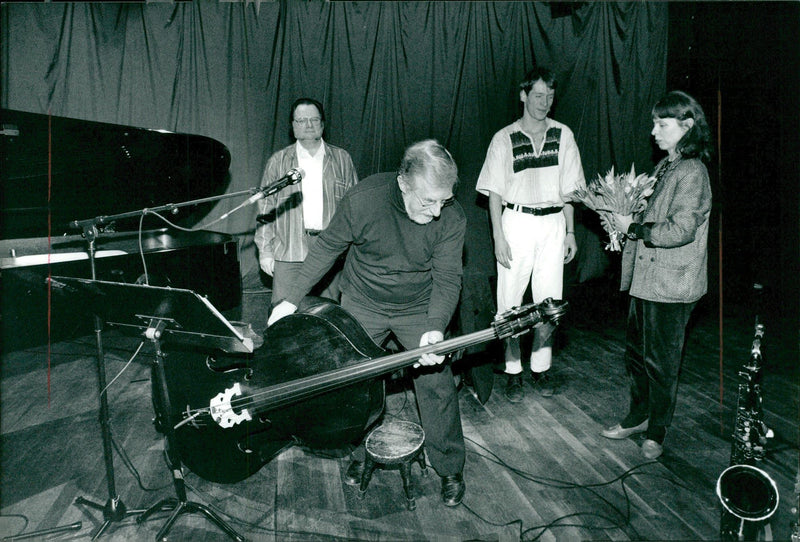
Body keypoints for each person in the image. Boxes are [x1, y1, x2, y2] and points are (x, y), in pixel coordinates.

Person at [268, 139, 468, 506]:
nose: (438, 211)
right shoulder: (364, 200)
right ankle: (360, 456)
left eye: (444, 200)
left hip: (419, 307)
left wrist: (435, 328)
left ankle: (449, 465)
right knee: (353, 383)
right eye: (429, 201)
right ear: (403, 183)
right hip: (364, 300)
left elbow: (448, 278)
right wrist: (288, 300)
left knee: (437, 381)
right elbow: (326, 248)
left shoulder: (451, 217)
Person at [600, 90, 713, 460]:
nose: (654, 131)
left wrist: (633, 228)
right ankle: (638, 415)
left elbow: (680, 229)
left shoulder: (693, 172)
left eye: (661, 124)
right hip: (648, 281)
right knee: (636, 355)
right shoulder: (668, 166)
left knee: (661, 363)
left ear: (687, 126)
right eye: (654, 123)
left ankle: (657, 431)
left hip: (672, 285)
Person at [475, 66, 583, 402]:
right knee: (509, 303)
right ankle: (513, 372)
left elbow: (571, 190)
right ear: (523, 95)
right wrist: (498, 236)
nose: (544, 102)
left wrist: (570, 231)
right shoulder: (503, 138)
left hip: (552, 224)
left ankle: (541, 368)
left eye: (550, 96)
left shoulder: (563, 134)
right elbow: (493, 192)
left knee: (549, 303)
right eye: (538, 95)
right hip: (516, 223)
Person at [254, 97, 358, 308]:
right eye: (301, 121)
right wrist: (265, 251)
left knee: (327, 313)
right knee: (283, 313)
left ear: (322, 123)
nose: (308, 125)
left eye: (314, 119)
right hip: (289, 248)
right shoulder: (278, 161)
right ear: (293, 126)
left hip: (330, 250)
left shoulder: (342, 159)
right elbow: (265, 209)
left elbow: (354, 208)